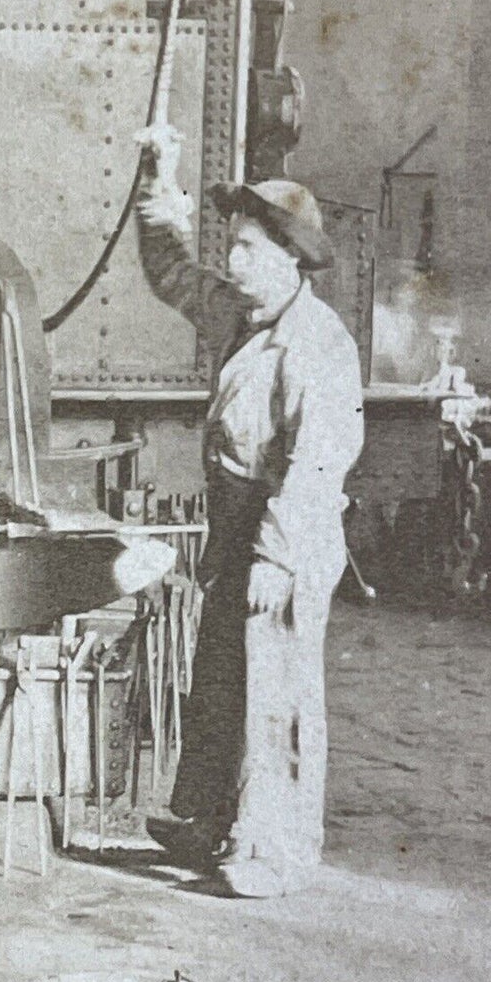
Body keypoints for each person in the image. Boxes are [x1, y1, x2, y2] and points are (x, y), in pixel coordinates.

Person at [136, 132, 365, 898]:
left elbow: (316, 466)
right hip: (235, 522)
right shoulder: (243, 313)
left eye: (243, 249)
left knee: (276, 686)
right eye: (229, 247)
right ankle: (205, 821)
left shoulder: (316, 342)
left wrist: (275, 556)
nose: (228, 262)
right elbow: (170, 272)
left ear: (288, 258)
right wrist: (157, 180)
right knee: (222, 674)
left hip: (282, 531)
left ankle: (275, 849)